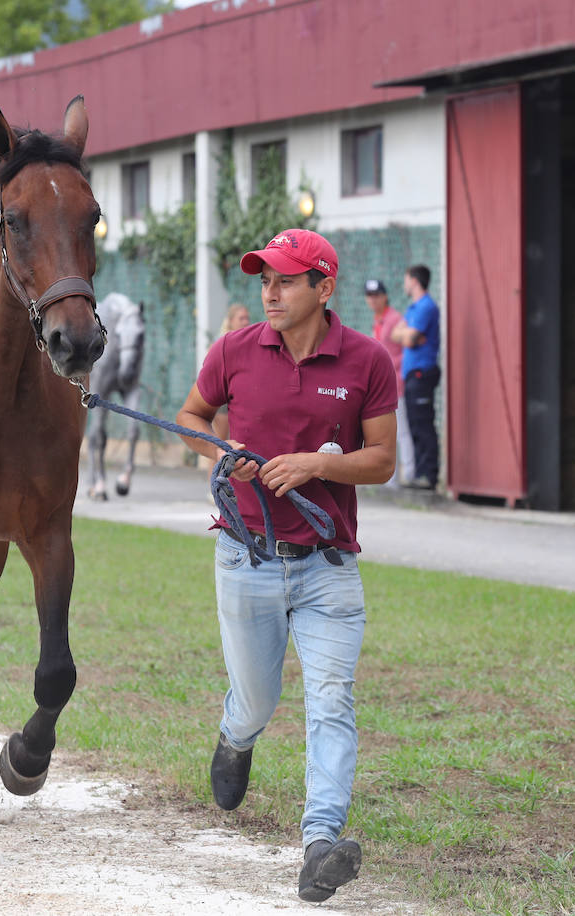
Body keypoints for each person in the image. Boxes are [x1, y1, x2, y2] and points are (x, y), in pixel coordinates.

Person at [174, 228, 396, 903]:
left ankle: (321, 842)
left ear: (323, 288)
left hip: (330, 565)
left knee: (332, 700)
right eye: (263, 278)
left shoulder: (368, 361)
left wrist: (317, 465)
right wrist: (219, 451)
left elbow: (383, 461)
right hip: (247, 559)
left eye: (285, 279)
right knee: (260, 699)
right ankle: (236, 736)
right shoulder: (235, 350)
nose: (269, 291)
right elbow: (191, 415)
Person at [389, 264, 440, 489]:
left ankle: (428, 475)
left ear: (415, 281)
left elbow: (408, 339)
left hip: (422, 372)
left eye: (406, 279)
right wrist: (407, 335)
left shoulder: (427, 307)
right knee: (414, 423)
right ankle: (419, 474)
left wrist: (408, 336)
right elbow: (396, 334)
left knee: (423, 424)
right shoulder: (413, 308)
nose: (404, 284)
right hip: (412, 375)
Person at [366, 279, 413, 488]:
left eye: (377, 295)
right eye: (370, 296)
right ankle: (390, 480)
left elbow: (408, 348)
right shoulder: (378, 320)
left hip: (397, 383)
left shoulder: (395, 319)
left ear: (385, 296)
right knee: (388, 434)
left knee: (402, 431)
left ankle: (408, 475)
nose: (373, 300)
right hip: (383, 387)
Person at [211, 304, 252, 443]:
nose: (246, 322)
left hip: (242, 397)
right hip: (223, 398)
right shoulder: (223, 343)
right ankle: (214, 466)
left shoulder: (249, 341)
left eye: (247, 318)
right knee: (219, 444)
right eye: (241, 318)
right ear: (231, 321)